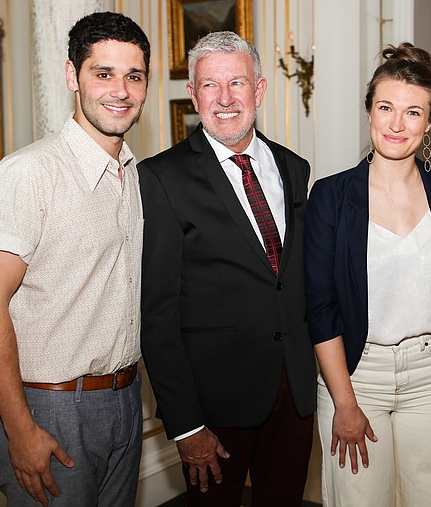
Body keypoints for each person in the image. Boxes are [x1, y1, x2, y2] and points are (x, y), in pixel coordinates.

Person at [0, 11, 150, 506]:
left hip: (126, 399)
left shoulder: (133, 176)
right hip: (49, 407)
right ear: (73, 77)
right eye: (103, 73)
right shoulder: (27, 174)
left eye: (134, 76)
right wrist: (20, 427)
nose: (121, 90)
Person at [139, 31, 316, 506]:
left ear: (258, 90)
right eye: (209, 85)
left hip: (294, 394)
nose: (224, 99)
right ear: (194, 96)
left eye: (236, 82)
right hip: (214, 406)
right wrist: (186, 424)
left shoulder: (294, 167)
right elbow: (156, 313)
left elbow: (292, 280)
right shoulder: (162, 177)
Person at [305, 43, 431, 506]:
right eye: (386, 108)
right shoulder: (331, 196)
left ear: (430, 122)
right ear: (369, 112)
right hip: (357, 374)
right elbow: (320, 306)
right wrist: (344, 401)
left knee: (430, 498)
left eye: (413, 112)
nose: (397, 124)